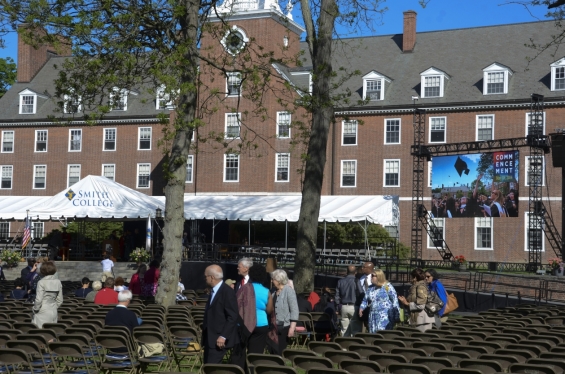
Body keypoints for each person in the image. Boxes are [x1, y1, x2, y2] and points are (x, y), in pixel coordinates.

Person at [202, 264, 239, 364]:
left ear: (212, 277)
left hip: (219, 339)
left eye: (206, 276)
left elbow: (232, 316)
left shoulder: (227, 292)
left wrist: (223, 336)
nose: (205, 279)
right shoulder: (213, 291)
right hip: (210, 338)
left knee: (212, 367)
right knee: (208, 366)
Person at [268, 269, 298, 355]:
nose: (271, 281)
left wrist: (292, 328)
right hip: (272, 326)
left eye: (273, 279)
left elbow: (294, 310)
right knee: (272, 350)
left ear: (279, 280)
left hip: (284, 327)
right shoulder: (272, 291)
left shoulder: (289, 291)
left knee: (279, 351)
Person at [398, 268, 438, 332]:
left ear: (415, 278)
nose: (410, 279)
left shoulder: (420, 287)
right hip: (416, 320)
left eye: (411, 277)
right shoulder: (415, 287)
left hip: (422, 321)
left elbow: (421, 305)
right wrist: (404, 301)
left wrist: (407, 303)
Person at [31, 261, 63, 328]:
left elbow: (38, 300)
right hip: (53, 310)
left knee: (40, 333)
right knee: (50, 333)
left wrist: (35, 309)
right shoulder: (58, 282)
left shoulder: (41, 282)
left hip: (42, 310)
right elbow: (60, 300)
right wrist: (53, 307)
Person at [335, 265, 359, 336]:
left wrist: (337, 307)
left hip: (344, 306)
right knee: (355, 329)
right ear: (355, 272)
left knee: (344, 329)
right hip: (354, 306)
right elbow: (361, 293)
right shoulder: (357, 281)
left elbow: (337, 296)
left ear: (346, 272)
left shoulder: (340, 281)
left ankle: (344, 346)